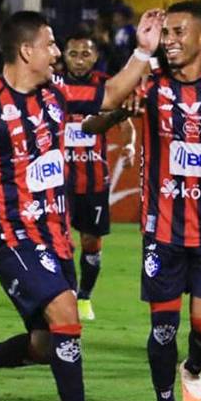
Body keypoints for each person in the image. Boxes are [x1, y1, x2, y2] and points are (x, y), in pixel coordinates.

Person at [0, 8, 162, 401]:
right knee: (64, 311)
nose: (57, 53)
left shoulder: (55, 93)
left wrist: (143, 51)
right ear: (26, 50)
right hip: (11, 234)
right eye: (50, 44)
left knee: (46, 343)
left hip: (56, 235)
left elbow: (110, 94)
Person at [83, 1, 201, 401]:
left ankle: (193, 370)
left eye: (180, 32)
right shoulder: (150, 86)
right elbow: (90, 123)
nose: (171, 41)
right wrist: (119, 109)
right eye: (167, 34)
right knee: (163, 328)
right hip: (161, 228)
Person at [61, 30, 136, 322]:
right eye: (73, 54)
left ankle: (84, 297)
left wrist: (128, 146)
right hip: (58, 179)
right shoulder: (52, 85)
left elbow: (125, 123)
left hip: (93, 180)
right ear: (64, 56)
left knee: (91, 242)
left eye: (85, 54)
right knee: (59, 239)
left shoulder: (106, 86)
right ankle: (64, 295)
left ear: (95, 56)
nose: (79, 61)